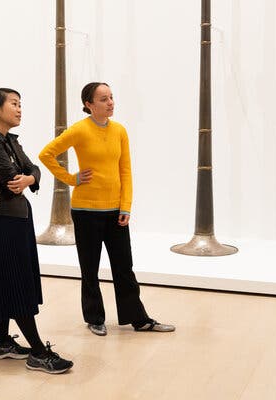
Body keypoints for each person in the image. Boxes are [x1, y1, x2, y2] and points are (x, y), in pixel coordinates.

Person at [38, 82, 175, 336]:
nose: (110, 102)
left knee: (124, 267)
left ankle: (139, 319)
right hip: (85, 211)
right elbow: (46, 154)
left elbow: (126, 171)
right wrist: (71, 179)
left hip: (115, 212)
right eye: (103, 99)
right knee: (89, 268)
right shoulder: (79, 130)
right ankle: (94, 318)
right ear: (89, 104)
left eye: (111, 97)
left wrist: (126, 206)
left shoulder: (120, 131)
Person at [0, 88, 73, 374]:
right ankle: (38, 352)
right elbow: (9, 178)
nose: (19, 109)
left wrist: (29, 178)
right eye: (13, 104)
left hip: (14, 218)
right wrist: (25, 177)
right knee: (14, 282)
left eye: (20, 104)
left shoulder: (9, 140)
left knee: (7, 279)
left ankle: (1, 342)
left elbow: (33, 170)